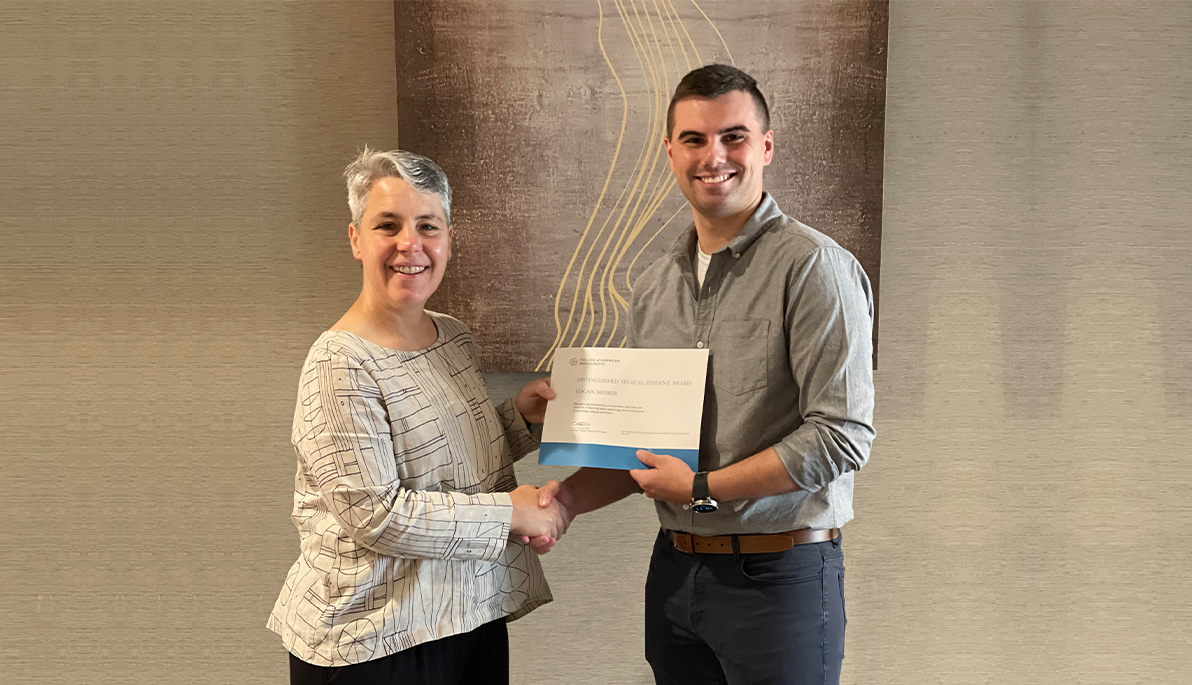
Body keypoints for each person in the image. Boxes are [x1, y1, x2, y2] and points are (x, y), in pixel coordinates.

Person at [538, 64, 876, 684]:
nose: (713, 155)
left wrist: (701, 487)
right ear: (670, 151)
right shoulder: (654, 284)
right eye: (693, 139)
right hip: (675, 572)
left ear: (766, 146)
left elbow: (842, 437)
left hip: (780, 579)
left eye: (734, 137)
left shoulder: (815, 268)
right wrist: (562, 502)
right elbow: (641, 447)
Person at [268, 148, 566, 685]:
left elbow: (441, 453)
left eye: (428, 225)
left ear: (448, 239)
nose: (411, 244)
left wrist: (520, 418)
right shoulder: (339, 362)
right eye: (389, 225)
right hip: (373, 642)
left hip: (467, 613)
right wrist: (511, 513)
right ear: (357, 239)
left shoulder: (452, 336)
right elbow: (377, 513)